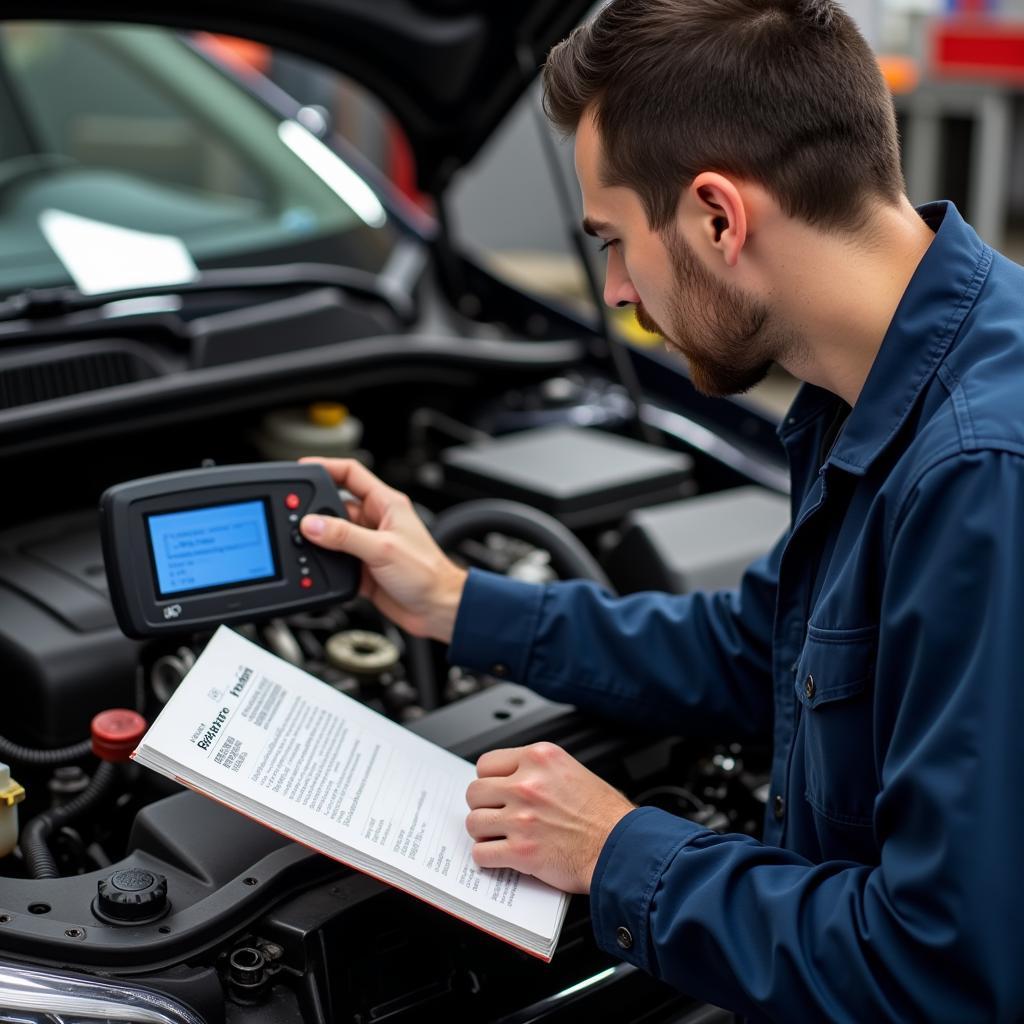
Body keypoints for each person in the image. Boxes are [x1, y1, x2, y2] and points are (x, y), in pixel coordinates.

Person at [297, 0, 1024, 1018]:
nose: (615, 289)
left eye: (613, 241)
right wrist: (459, 603)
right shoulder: (873, 386)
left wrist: (615, 848)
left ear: (719, 216)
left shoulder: (980, 472)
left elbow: (942, 972)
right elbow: (756, 648)